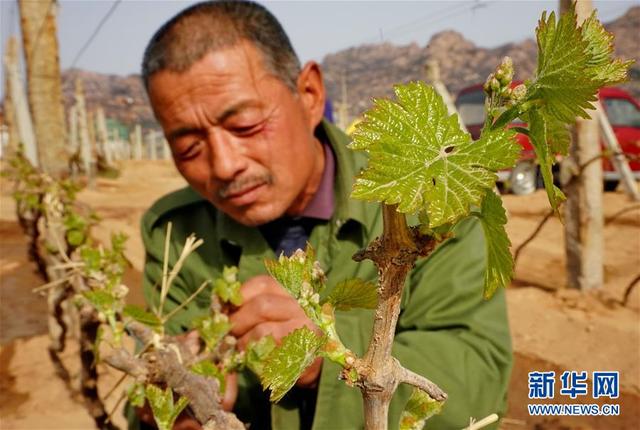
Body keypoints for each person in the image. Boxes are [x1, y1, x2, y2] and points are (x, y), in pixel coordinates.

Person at [136, 1, 512, 429]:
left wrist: (334, 357)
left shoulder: (429, 203)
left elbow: (477, 381)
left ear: (310, 95)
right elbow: (166, 381)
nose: (224, 165)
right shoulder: (176, 235)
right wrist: (177, 408)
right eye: (188, 148)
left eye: (245, 126)